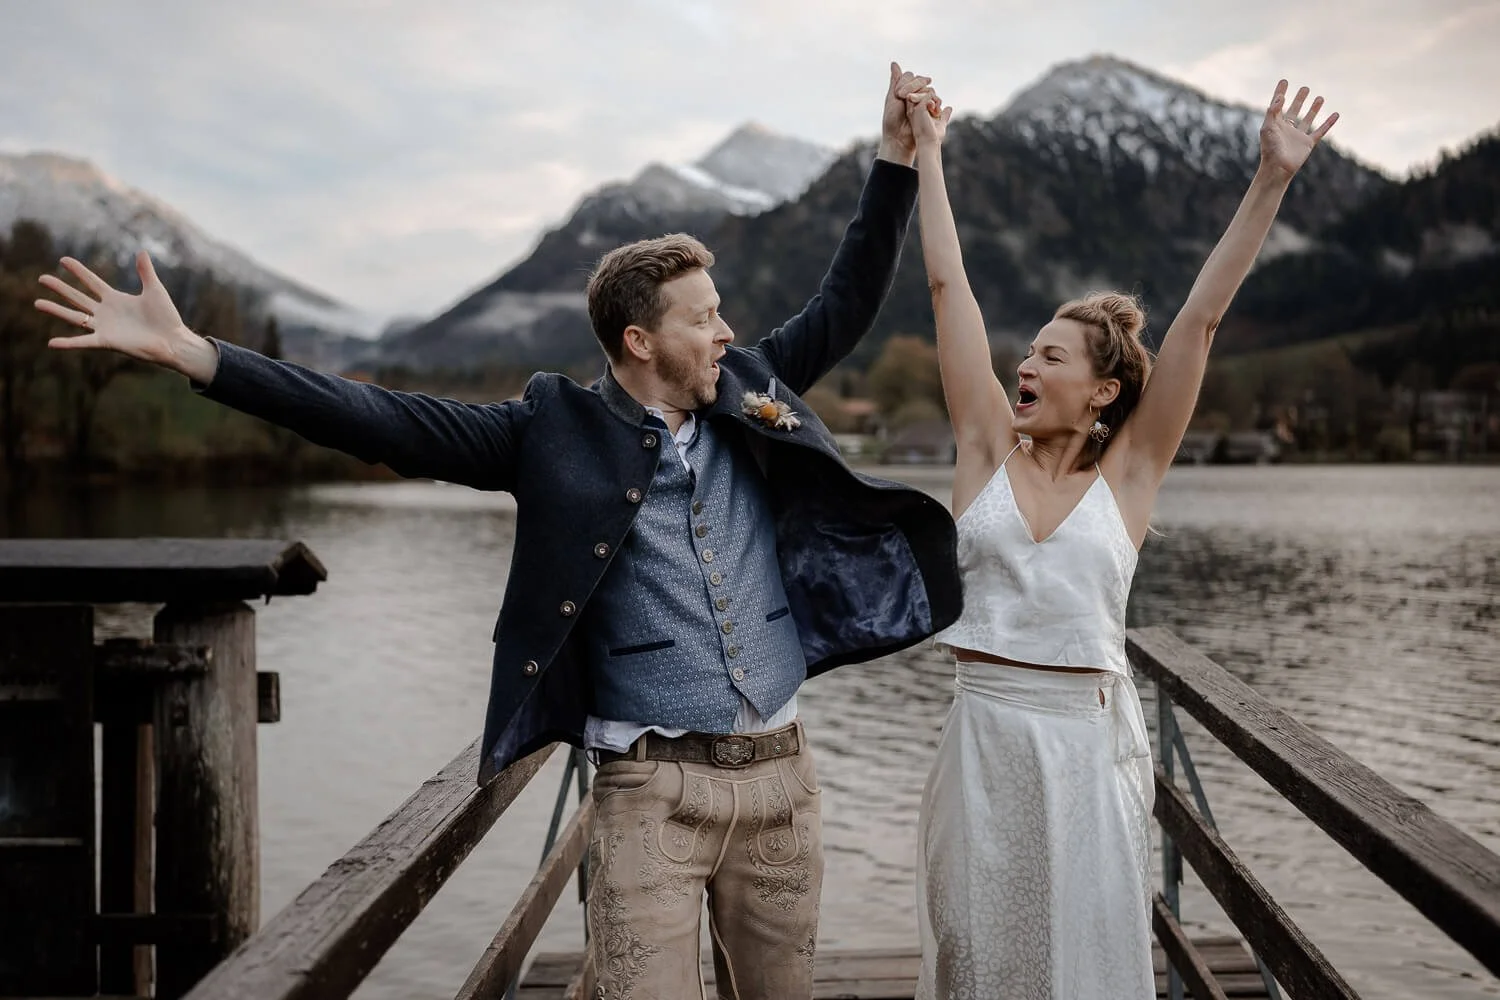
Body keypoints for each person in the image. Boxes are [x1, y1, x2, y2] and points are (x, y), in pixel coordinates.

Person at [33, 63, 961, 1000]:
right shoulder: (546, 434)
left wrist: (893, 156)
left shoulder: (748, 387)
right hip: (649, 796)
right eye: (704, 318)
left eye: (722, 315)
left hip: (781, 782)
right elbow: (374, 416)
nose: (727, 333)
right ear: (639, 341)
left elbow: (846, 299)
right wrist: (198, 355)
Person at [903, 81, 1338, 999]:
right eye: (1026, 353)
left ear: (1102, 391)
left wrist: (1270, 180)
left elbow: (1201, 321)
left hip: (1086, 748)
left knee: (1085, 964)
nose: (1023, 365)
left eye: (1050, 358)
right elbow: (948, 286)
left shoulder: (1129, 477)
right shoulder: (984, 449)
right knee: (979, 961)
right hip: (980, 738)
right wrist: (930, 156)